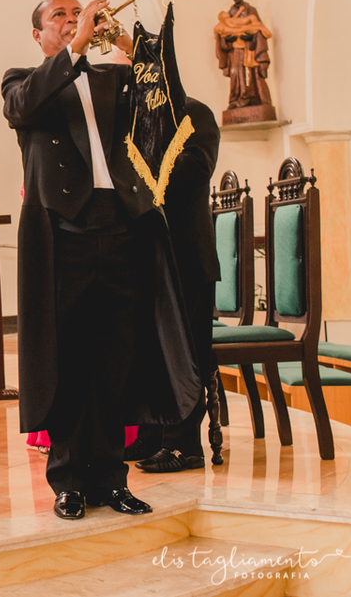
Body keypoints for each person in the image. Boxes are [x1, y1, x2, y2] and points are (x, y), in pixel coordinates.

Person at [2, 0, 199, 522]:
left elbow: (170, 109)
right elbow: (23, 107)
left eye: (76, 14)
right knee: (67, 360)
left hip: (122, 227)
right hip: (61, 233)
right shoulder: (22, 79)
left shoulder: (117, 79)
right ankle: (67, 481)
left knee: (118, 358)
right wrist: (79, 45)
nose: (71, 22)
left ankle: (112, 478)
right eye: (59, 18)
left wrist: (137, 53)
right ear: (39, 35)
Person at [132, 97, 221, 472]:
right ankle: (154, 434)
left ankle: (186, 445)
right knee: (150, 351)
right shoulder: (136, 116)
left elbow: (194, 169)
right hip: (147, 256)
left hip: (187, 255)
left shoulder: (195, 114)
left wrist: (143, 162)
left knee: (187, 352)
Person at [215, 0, 273, 109]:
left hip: (249, 49)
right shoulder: (229, 14)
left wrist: (252, 37)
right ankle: (236, 99)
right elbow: (222, 33)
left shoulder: (251, 10)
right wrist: (227, 40)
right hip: (235, 50)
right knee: (236, 74)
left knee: (252, 73)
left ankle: (255, 98)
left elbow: (258, 27)